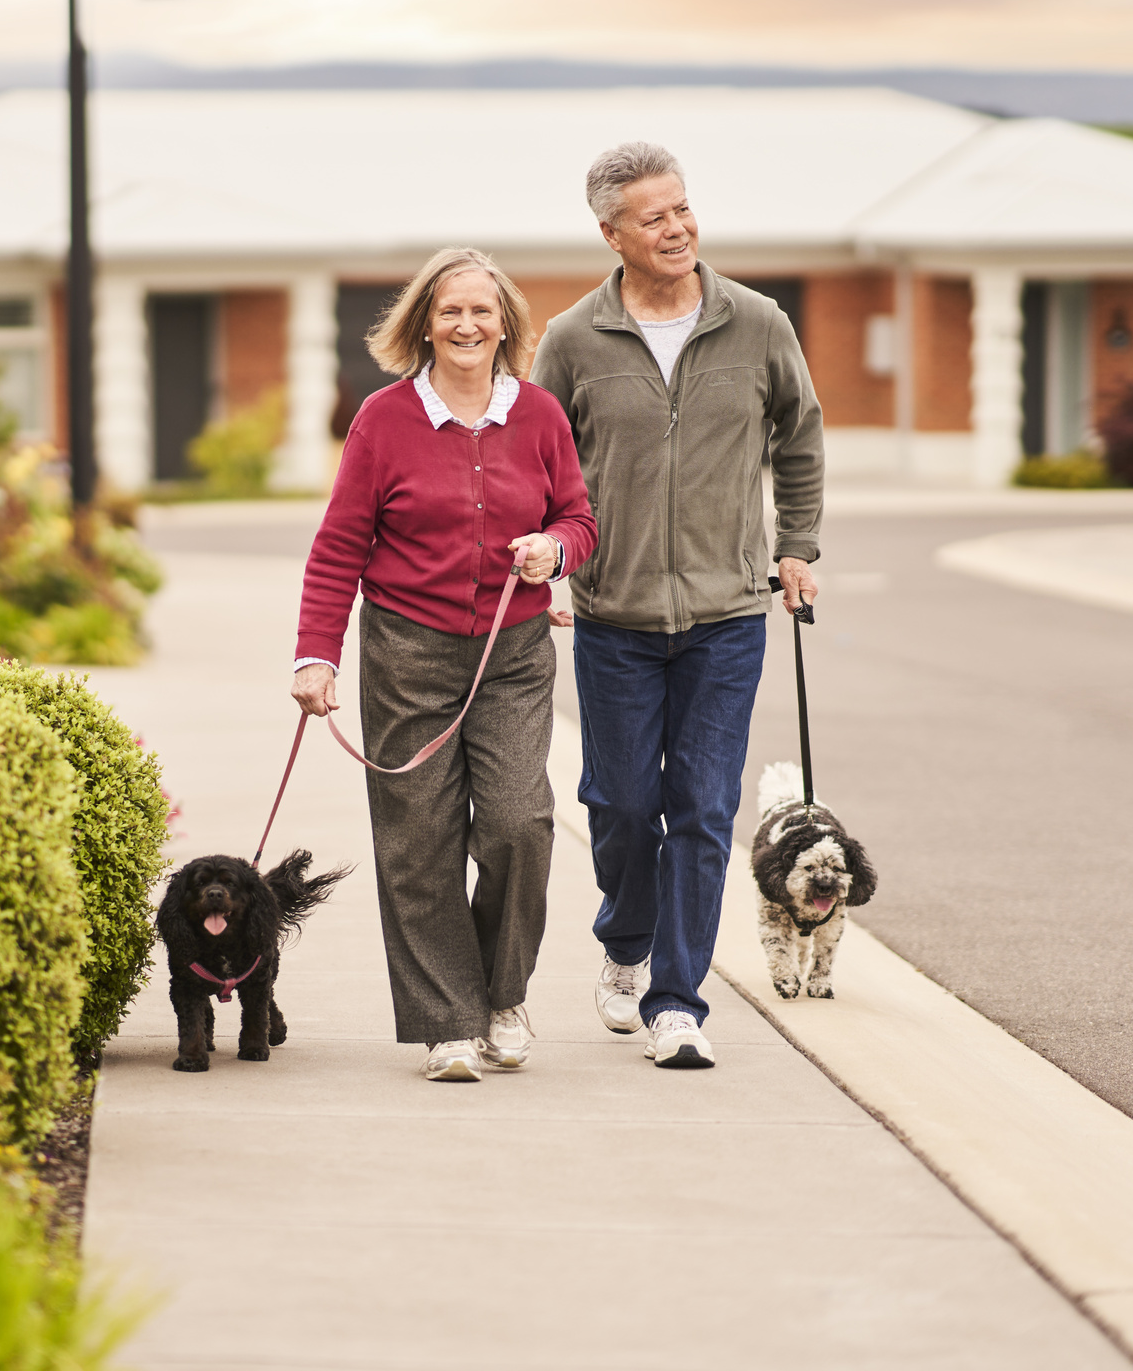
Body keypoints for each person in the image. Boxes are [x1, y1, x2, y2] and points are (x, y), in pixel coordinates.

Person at [530, 142, 824, 1070]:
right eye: (654, 217)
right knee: (620, 803)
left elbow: (801, 437)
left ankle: (677, 1001)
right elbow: (542, 464)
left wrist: (797, 547)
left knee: (701, 806)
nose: (677, 229)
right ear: (611, 232)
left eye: (684, 209)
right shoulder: (574, 338)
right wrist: (550, 563)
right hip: (613, 614)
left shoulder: (757, 321)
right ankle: (625, 939)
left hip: (727, 615)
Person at [292, 247, 598, 1082]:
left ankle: (501, 996)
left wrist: (554, 549)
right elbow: (339, 546)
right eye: (450, 311)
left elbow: (579, 516)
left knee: (517, 824)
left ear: (506, 325)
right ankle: (447, 1024)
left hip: (514, 650)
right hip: (408, 652)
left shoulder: (538, 414)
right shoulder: (383, 419)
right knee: (418, 840)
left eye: (482, 311)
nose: (467, 325)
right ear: (424, 322)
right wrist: (317, 654)